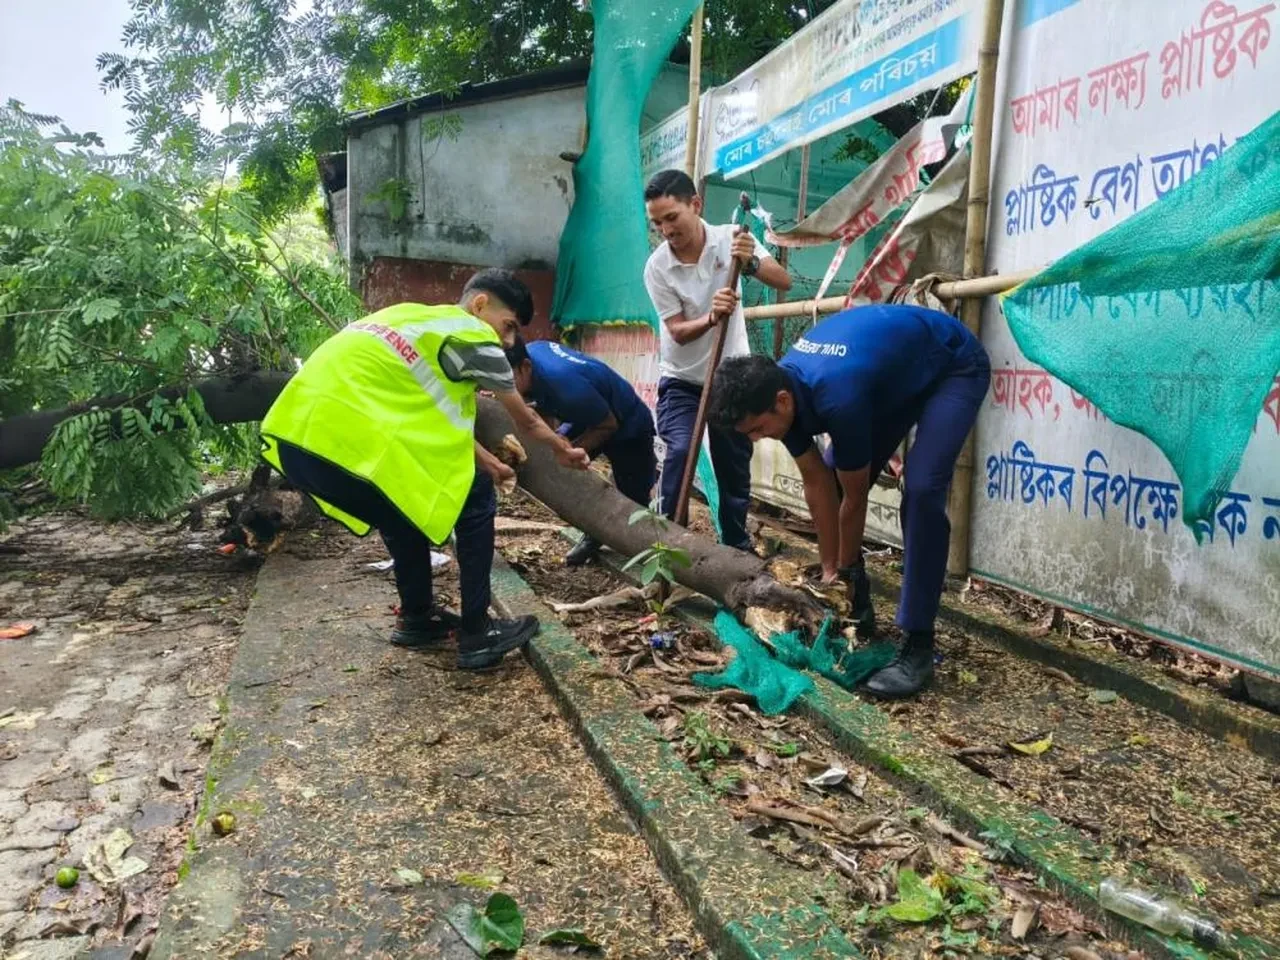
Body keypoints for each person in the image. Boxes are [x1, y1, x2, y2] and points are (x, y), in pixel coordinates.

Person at [258, 269, 590, 670]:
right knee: (476, 499)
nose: (507, 342)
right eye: (508, 327)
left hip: (300, 442)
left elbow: (439, 418)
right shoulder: (473, 334)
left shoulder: (409, 318)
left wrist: (490, 463)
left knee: (403, 509)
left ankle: (417, 618)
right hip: (345, 444)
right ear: (480, 304)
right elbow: (527, 421)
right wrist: (564, 451)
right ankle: (477, 633)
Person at [708, 304, 991, 699]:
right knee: (835, 491)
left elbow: (855, 499)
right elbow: (818, 483)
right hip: (895, 375)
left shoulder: (837, 396)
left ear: (783, 402)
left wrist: (844, 571)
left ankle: (918, 644)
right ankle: (856, 605)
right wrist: (829, 571)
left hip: (952, 364)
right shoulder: (779, 388)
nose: (756, 439)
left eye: (757, 429)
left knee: (923, 491)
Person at [642, 169, 792, 550]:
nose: (665, 229)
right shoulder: (657, 268)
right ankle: (667, 541)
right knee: (679, 451)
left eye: (671, 217)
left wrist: (752, 263)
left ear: (696, 204)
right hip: (680, 379)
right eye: (657, 222)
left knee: (733, 462)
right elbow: (676, 330)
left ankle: (736, 546)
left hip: (729, 378)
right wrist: (710, 317)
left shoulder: (732, 239)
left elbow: (783, 280)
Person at [505, 336, 657, 566]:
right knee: (566, 475)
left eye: (508, 379)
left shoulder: (564, 385)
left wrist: (568, 451)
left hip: (627, 424)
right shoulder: (529, 354)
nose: (503, 388)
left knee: (634, 498)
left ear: (525, 368)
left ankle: (649, 552)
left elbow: (608, 424)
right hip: (585, 412)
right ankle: (593, 534)